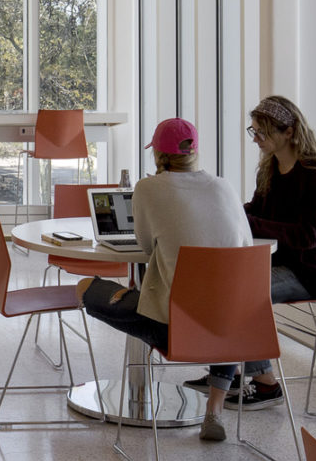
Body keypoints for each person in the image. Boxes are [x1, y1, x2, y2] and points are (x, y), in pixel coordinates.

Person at [76, 118, 251, 442]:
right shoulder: (225, 186)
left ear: (158, 153)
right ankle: (214, 410)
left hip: (173, 328)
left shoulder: (148, 188)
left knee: (87, 288)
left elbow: (144, 244)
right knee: (220, 302)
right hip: (237, 329)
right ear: (195, 151)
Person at [193, 94, 316, 412]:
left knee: (240, 293)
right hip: (277, 262)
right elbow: (255, 211)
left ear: (288, 132)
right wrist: (228, 211)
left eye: (262, 132)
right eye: (254, 132)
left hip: (310, 272)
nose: (256, 139)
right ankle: (229, 370)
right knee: (218, 284)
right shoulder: (271, 169)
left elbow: (310, 235)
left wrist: (251, 220)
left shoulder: (313, 174)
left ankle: (264, 382)